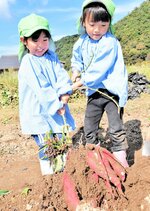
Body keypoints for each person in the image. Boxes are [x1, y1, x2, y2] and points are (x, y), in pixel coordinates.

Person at [71, 0, 129, 168]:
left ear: (109, 23)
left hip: (112, 92)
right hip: (94, 92)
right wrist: (75, 71)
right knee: (89, 127)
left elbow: (98, 70)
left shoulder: (110, 42)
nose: (97, 30)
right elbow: (77, 59)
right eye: (92, 24)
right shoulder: (81, 42)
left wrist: (77, 84)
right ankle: (96, 159)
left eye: (103, 25)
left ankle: (120, 160)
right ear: (83, 22)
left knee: (115, 127)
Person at [18, 13, 75, 175]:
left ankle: (63, 174)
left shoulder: (51, 57)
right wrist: (57, 104)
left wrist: (65, 93)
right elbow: (41, 88)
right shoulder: (28, 62)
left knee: (61, 141)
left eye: (45, 39)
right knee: (47, 145)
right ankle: (49, 177)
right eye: (35, 40)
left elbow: (61, 75)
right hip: (39, 113)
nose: (41, 45)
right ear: (24, 41)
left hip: (56, 109)